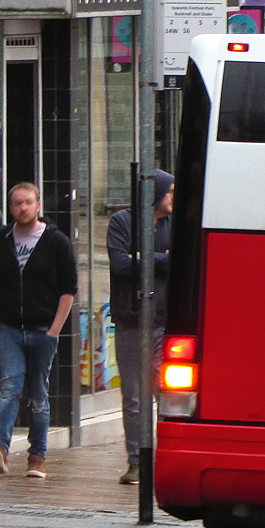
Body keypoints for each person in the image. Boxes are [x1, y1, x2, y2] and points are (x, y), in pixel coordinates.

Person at [0, 182, 77, 479]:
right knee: (10, 389)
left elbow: (68, 290)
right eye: (17, 203)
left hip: (43, 329)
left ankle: (37, 457)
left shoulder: (57, 242)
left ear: (38, 204)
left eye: (28, 202)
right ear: (10, 207)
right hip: (9, 329)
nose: (22, 208)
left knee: (38, 394)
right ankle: (0, 448)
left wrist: (55, 330)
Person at [107, 170, 174, 485]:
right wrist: (161, 258)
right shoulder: (122, 222)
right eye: (169, 191)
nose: (174, 197)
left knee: (168, 395)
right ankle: (136, 462)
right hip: (131, 322)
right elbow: (120, 265)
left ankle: (165, 457)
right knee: (133, 396)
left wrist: (143, 257)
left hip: (165, 323)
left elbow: (181, 262)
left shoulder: (174, 225)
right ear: (155, 194)